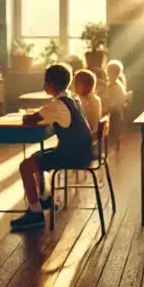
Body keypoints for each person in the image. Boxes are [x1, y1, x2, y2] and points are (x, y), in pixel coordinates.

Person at [10, 64, 95, 231]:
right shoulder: (72, 98)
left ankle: (35, 213)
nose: (44, 85)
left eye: (45, 82)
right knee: (36, 156)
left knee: (25, 166)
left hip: (71, 155)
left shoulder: (56, 104)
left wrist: (30, 114)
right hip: (83, 152)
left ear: (51, 86)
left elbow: (30, 120)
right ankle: (43, 198)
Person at [73, 68, 103, 134]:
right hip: (91, 134)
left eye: (77, 84)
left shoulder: (88, 102)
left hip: (88, 136)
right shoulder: (95, 99)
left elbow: (81, 122)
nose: (74, 87)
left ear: (87, 86)